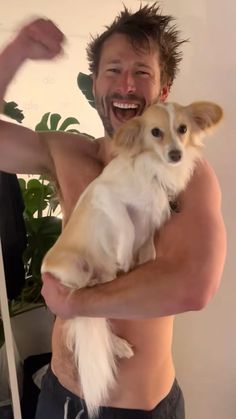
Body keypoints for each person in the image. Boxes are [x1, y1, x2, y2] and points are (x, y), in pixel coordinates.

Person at [0, 3, 226, 419]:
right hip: (59, 396)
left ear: (162, 90)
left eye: (142, 72)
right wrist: (16, 51)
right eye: (113, 70)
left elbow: (194, 284)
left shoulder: (185, 172)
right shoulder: (66, 152)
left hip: (137, 410)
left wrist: (77, 302)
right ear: (94, 84)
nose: (126, 85)